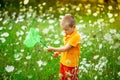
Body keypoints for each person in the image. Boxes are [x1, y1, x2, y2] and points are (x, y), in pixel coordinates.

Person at [47, 14, 80, 80]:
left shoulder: (75, 37)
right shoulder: (68, 34)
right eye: (63, 30)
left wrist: (52, 48)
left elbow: (65, 49)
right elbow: (65, 46)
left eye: (66, 30)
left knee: (70, 78)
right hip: (63, 61)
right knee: (62, 78)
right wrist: (58, 52)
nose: (64, 32)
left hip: (71, 65)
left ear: (73, 27)